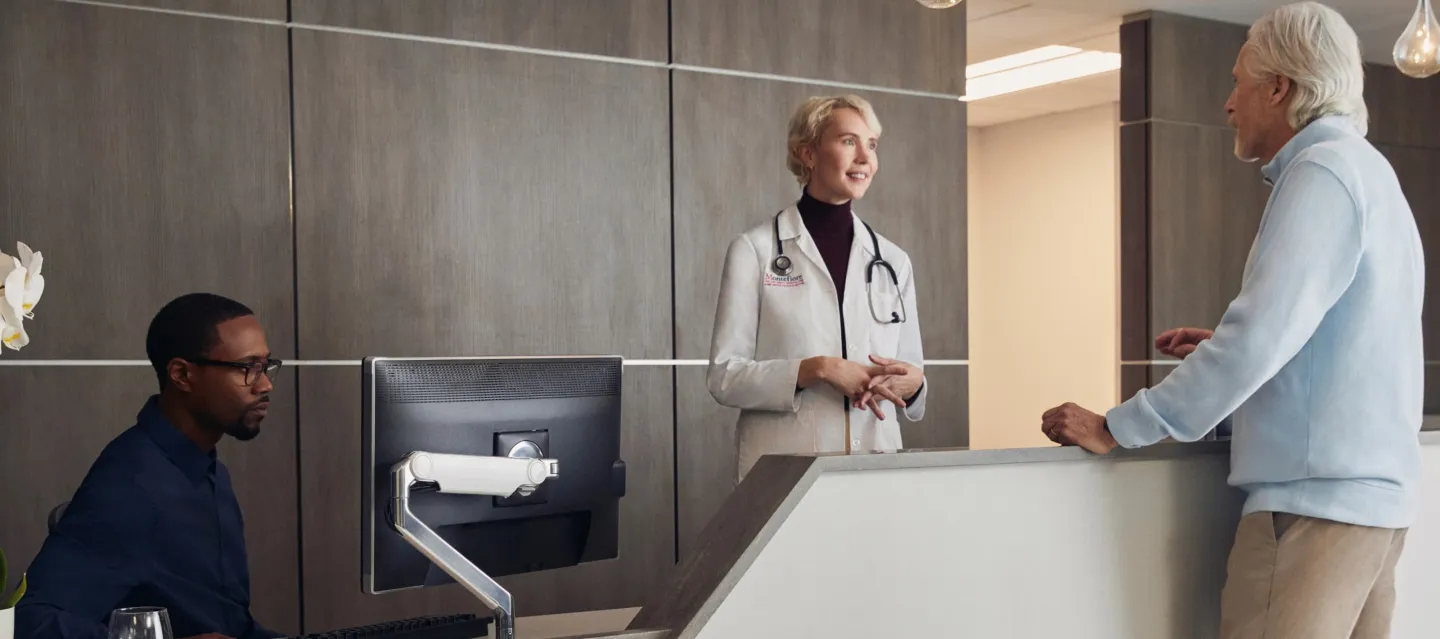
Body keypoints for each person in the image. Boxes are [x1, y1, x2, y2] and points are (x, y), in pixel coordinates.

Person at [1039, 3, 1423, 638]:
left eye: (1238, 82)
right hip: (1372, 510)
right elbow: (1352, 339)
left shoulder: (1321, 172)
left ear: (1280, 88)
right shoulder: (1371, 172)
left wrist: (1120, 424)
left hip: (1313, 512)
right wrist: (1248, 354)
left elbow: (1259, 339)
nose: (1227, 103)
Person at [18, 293, 285, 639]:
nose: (265, 384)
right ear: (182, 375)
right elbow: (29, 620)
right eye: (247, 368)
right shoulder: (129, 488)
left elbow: (231, 627)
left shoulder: (211, 470)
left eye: (265, 366)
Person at [708, 94, 928, 480]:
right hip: (784, 473)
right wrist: (817, 369)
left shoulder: (893, 261)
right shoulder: (754, 251)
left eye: (872, 144)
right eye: (849, 141)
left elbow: (911, 371)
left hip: (876, 464)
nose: (865, 157)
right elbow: (725, 378)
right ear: (807, 153)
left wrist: (915, 383)